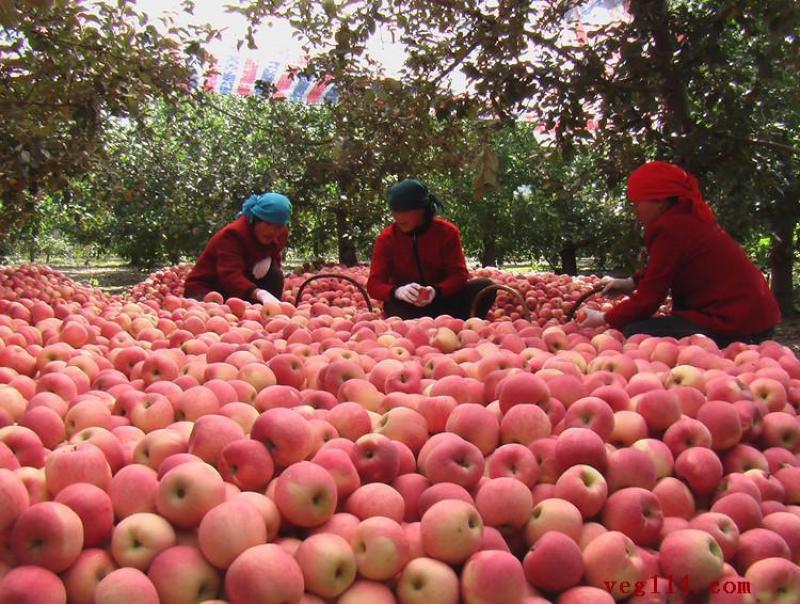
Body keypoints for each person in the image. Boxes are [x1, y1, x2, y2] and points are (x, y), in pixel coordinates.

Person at [581, 161, 780, 346]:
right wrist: (632, 282)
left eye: (637, 203)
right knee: (648, 327)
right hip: (751, 316)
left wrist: (604, 318)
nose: (635, 210)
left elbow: (650, 299)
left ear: (659, 202)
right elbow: (667, 267)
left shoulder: (671, 228)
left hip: (736, 322)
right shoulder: (686, 218)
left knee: (636, 331)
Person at [367, 178, 496, 319]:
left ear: (422, 209)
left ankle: (464, 326)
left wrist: (436, 291)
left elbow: (459, 275)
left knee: (485, 286)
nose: (399, 216)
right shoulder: (386, 239)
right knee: (396, 309)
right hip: (408, 306)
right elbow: (374, 284)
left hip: (444, 300)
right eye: (395, 211)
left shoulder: (447, 232)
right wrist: (397, 292)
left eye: (406, 210)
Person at [184, 192, 291, 305]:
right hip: (209, 286)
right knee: (216, 312)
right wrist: (259, 293)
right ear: (254, 220)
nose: (272, 231)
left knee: (274, 276)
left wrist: (268, 258)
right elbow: (230, 275)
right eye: (268, 224)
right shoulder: (233, 235)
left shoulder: (280, 234)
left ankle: (268, 313)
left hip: (241, 282)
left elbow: (275, 253)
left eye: (278, 226)